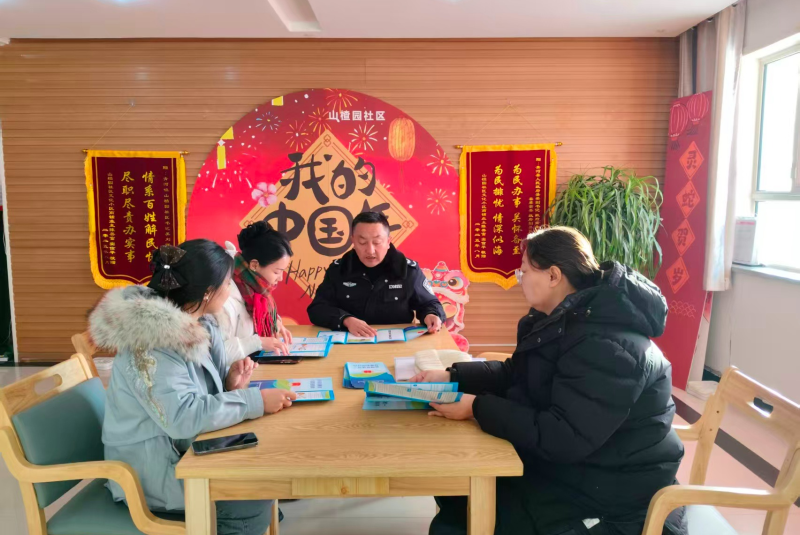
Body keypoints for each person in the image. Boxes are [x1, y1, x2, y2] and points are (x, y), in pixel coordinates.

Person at [412, 227, 685, 535]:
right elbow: (516, 373)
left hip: (614, 497)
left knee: (463, 510)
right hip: (578, 470)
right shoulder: (562, 319)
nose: (520, 279)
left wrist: (476, 407)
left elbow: (563, 436)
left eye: (524, 271)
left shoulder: (606, 345)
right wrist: (453, 376)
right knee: (457, 493)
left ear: (554, 276)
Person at [90, 240, 297, 535]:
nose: (230, 289)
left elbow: (189, 397)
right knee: (252, 495)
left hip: (182, 450)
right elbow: (182, 417)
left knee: (262, 476)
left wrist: (229, 384)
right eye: (227, 283)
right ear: (207, 292)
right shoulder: (153, 343)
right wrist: (254, 402)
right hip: (152, 473)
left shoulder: (198, 322)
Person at [307, 211, 446, 337]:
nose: (370, 250)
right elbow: (317, 309)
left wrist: (431, 314)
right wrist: (346, 320)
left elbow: (429, 303)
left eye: (377, 242)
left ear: (388, 241)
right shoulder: (339, 269)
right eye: (362, 242)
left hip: (397, 344)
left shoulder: (407, 270)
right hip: (351, 343)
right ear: (353, 241)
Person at [217, 221, 294, 363]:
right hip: (233, 374)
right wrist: (257, 342)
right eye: (277, 272)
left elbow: (261, 313)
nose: (281, 278)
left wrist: (275, 322)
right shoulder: (223, 298)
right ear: (254, 265)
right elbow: (215, 356)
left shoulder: (256, 289)